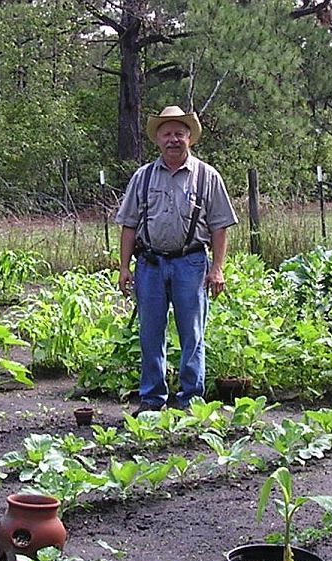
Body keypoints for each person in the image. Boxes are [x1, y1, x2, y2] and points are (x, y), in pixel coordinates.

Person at [116, 105, 238, 415]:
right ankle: (152, 399)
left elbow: (219, 226)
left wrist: (217, 268)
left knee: (192, 334)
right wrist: (124, 267)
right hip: (150, 265)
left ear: (190, 139)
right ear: (158, 139)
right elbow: (129, 225)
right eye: (167, 133)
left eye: (179, 134)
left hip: (192, 264)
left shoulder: (207, 176)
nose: (173, 139)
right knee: (150, 334)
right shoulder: (142, 177)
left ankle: (190, 401)